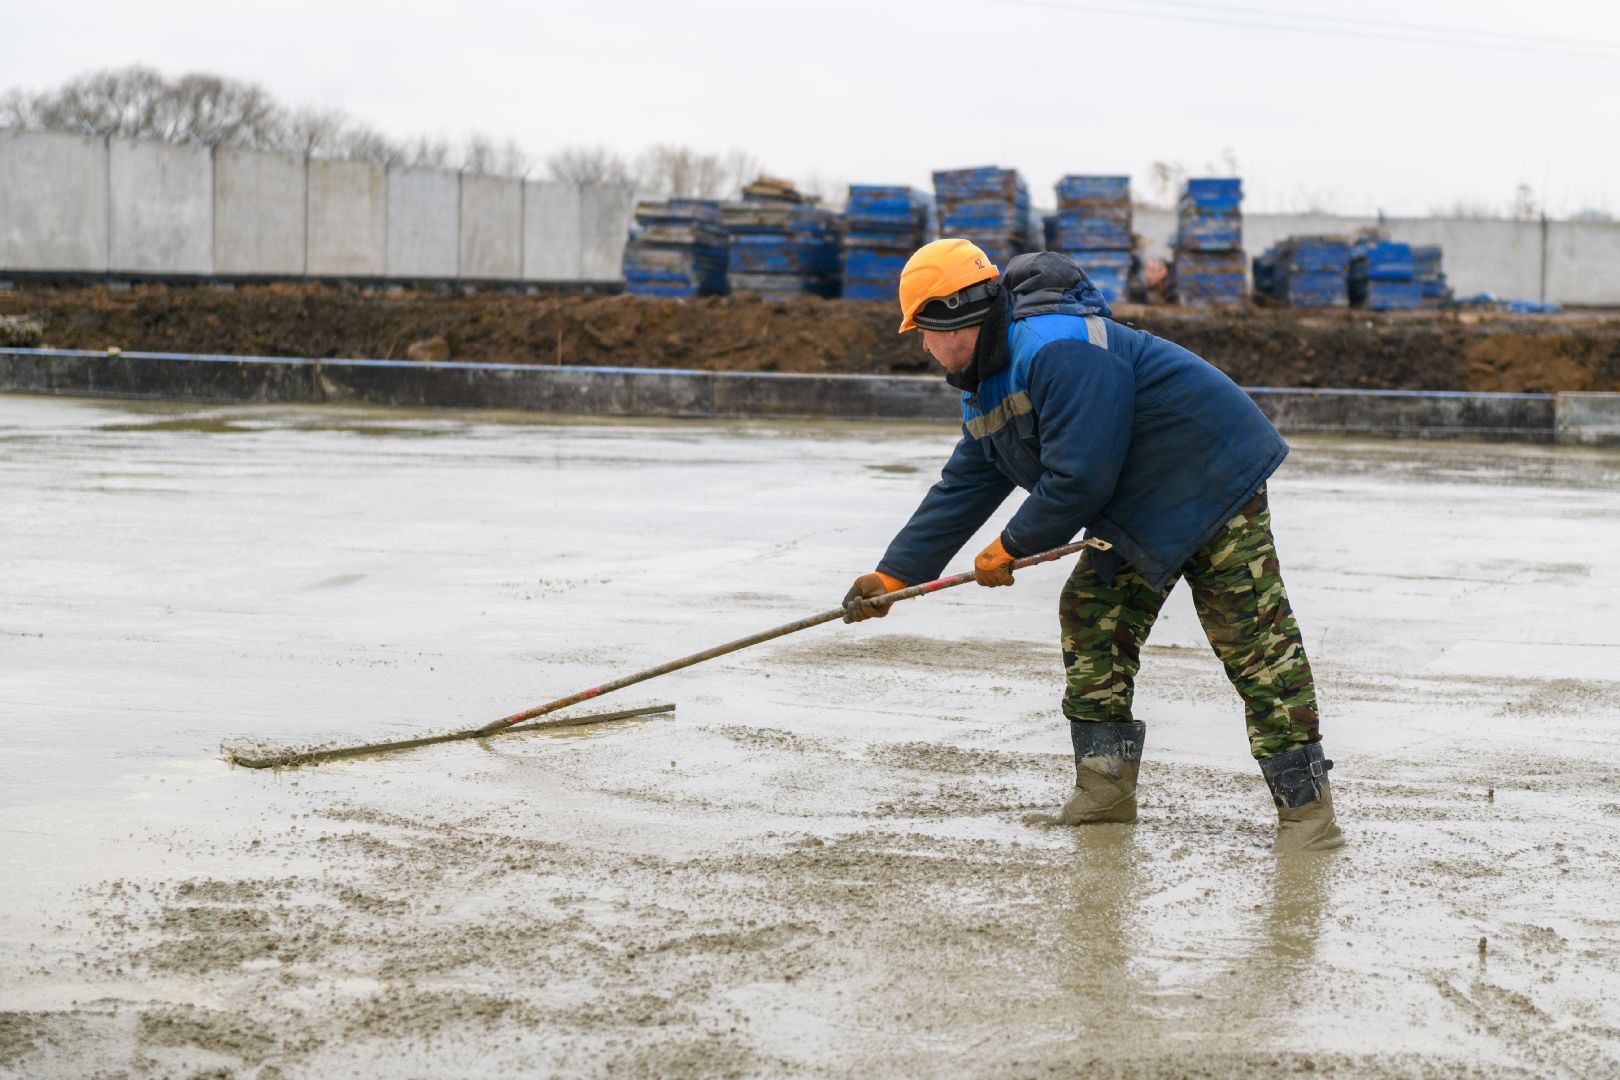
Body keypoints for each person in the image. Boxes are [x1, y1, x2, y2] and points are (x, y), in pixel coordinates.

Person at [842, 238, 1343, 854]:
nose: (921, 344)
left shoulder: (1059, 348)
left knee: (1254, 644)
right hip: (1132, 505)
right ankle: (1104, 792)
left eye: (922, 328)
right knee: (1093, 618)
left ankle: (1307, 815)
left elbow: (1081, 476)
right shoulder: (987, 378)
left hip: (1209, 479)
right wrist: (895, 576)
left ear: (952, 317)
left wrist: (1014, 544)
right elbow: (968, 481)